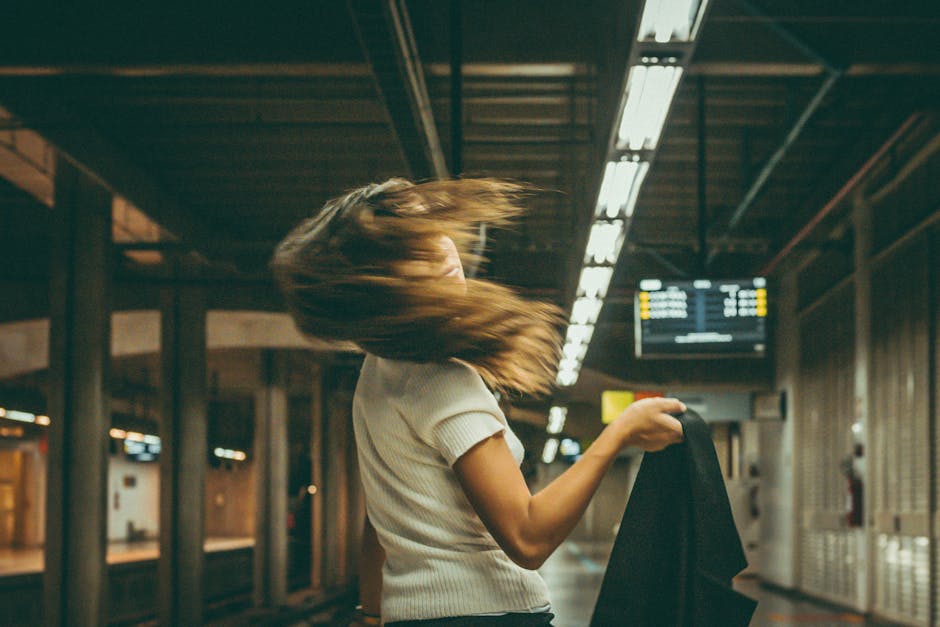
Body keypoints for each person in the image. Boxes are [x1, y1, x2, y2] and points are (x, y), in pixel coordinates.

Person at [271, 178, 685, 626]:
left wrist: (372, 614)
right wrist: (619, 433)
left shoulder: (377, 373)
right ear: (384, 285)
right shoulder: (443, 380)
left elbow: (381, 520)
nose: (444, 253)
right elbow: (528, 539)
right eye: (415, 252)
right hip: (489, 615)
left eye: (434, 232)